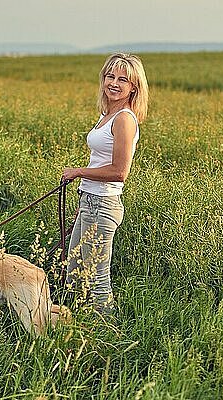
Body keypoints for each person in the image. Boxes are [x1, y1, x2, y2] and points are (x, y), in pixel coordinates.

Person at [62, 53, 149, 315]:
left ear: (134, 87)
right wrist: (83, 197)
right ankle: (71, 324)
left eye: (123, 79)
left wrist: (79, 172)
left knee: (98, 278)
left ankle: (107, 333)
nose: (114, 83)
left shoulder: (124, 118)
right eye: (110, 76)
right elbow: (100, 159)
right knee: (74, 271)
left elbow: (120, 172)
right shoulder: (107, 114)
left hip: (103, 205)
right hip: (90, 200)